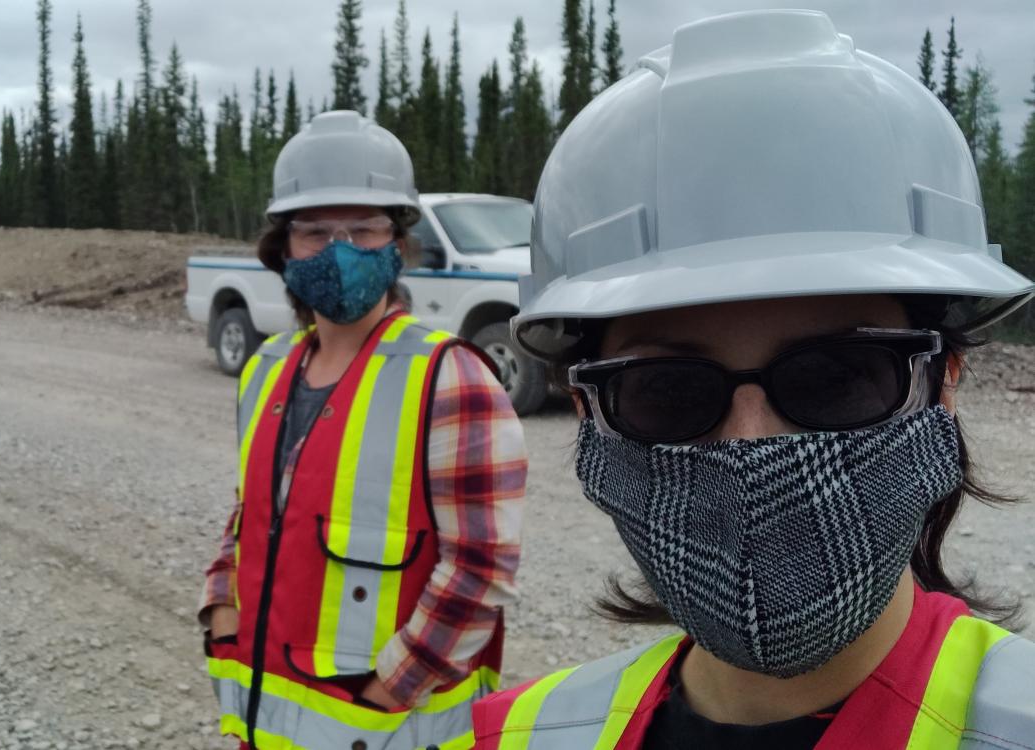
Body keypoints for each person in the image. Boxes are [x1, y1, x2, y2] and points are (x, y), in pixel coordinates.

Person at [472, 10, 1035, 750]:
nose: (751, 446)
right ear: (588, 413)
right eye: (669, 391)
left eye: (836, 379)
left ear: (944, 384)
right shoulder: (518, 736)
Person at [199, 110, 528, 750]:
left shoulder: (449, 376)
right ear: (284, 248)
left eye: (364, 228)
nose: (340, 248)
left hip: (385, 729)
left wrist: (386, 691)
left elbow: (480, 569)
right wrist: (220, 608)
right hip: (265, 719)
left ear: (398, 243)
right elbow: (251, 511)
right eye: (315, 231)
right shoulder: (264, 370)